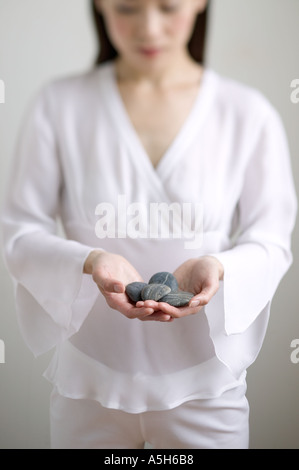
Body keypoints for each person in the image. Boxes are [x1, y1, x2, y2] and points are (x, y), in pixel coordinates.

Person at [1, 0, 297, 449]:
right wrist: (91, 260)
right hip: (88, 384)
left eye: (168, 6)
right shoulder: (58, 105)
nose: (149, 28)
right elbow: (18, 231)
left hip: (207, 387)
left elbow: (272, 239)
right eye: (128, 8)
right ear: (100, 4)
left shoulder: (247, 114)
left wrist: (218, 266)